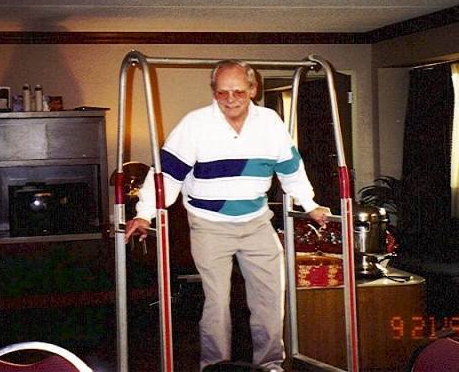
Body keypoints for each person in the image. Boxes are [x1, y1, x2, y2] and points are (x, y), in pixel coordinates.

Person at [125, 59, 330, 372]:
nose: (230, 99)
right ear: (213, 92)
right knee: (217, 301)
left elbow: (291, 168)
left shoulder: (270, 123)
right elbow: (167, 174)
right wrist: (145, 214)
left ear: (253, 89)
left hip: (257, 221)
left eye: (238, 91)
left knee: (270, 296)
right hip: (209, 223)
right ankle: (215, 366)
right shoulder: (195, 124)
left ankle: (270, 364)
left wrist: (309, 204)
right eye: (222, 92)